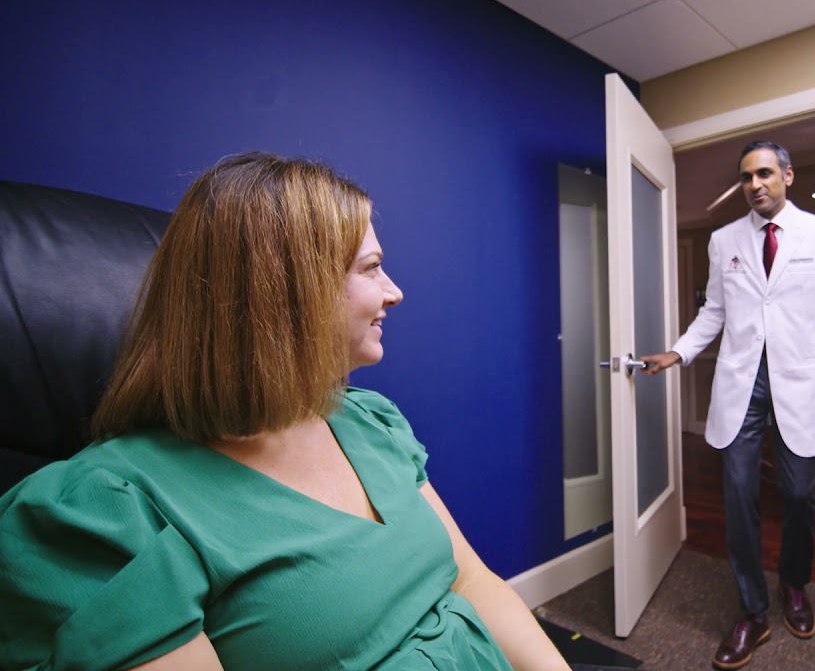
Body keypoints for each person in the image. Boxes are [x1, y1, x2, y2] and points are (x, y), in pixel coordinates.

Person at [0, 152, 571, 671]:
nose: (394, 292)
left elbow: (472, 580)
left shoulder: (370, 422)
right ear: (290, 294)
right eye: (371, 269)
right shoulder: (104, 515)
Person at [641, 141, 815, 670]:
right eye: (747, 177)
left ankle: (794, 582)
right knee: (739, 496)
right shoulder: (725, 241)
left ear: (787, 176)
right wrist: (678, 352)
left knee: (798, 492)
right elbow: (714, 313)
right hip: (741, 384)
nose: (755, 185)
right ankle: (752, 610)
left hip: (802, 381)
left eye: (765, 174)